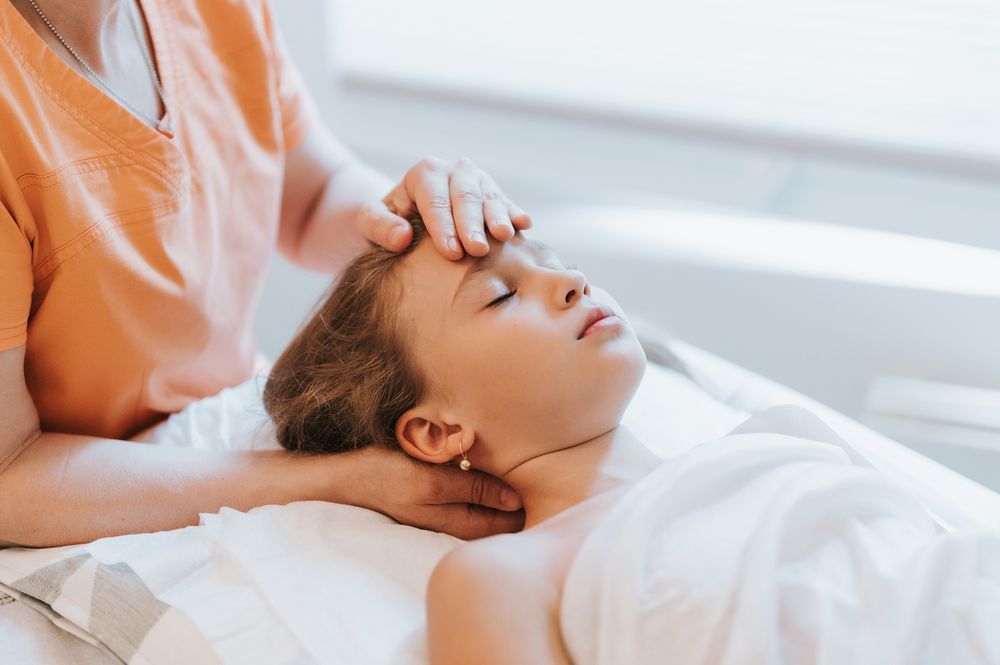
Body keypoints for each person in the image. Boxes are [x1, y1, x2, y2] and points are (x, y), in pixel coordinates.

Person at [263, 217, 1000, 665]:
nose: (569, 280)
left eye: (548, 257)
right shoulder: (504, 577)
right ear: (437, 430)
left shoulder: (779, 436)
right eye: (500, 293)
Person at [0, 0, 529, 548]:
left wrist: (414, 216)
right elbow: (6, 478)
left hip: (224, 430)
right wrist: (331, 482)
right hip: (74, 505)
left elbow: (312, 198)